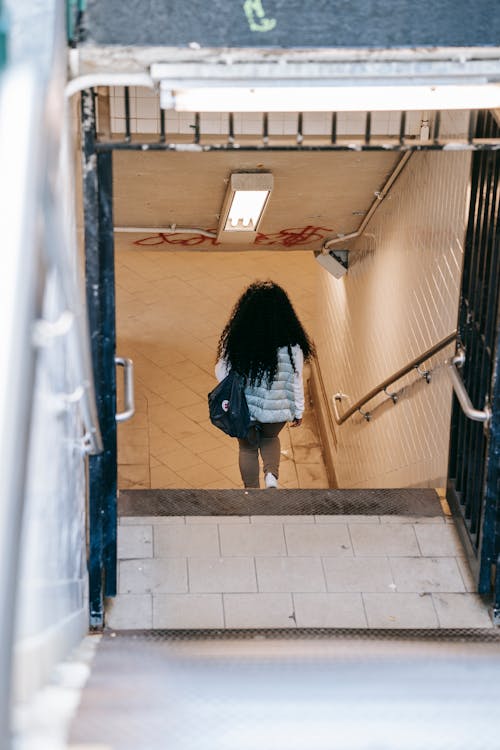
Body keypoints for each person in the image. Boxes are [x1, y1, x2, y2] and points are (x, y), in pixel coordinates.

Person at [215, 280, 314, 489]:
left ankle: (252, 491)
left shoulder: (236, 341)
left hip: (245, 408)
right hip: (277, 409)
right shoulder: (293, 346)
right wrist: (299, 410)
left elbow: (221, 371)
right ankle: (271, 477)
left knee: (247, 449)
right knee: (270, 439)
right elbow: (296, 380)